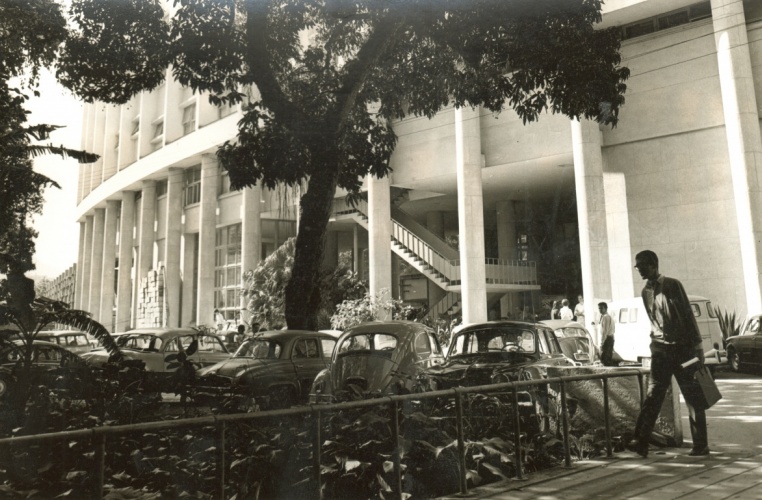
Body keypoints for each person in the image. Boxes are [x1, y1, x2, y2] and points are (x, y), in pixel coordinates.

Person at [627, 250, 709, 458]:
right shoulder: (645, 290)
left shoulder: (673, 285)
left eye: (642, 266)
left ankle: (701, 445)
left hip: (683, 350)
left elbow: (687, 316)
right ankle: (641, 442)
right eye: (637, 267)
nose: (639, 270)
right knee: (653, 395)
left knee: (693, 396)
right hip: (660, 351)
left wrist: (698, 349)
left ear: (654, 265)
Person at [598, 302, 617, 366]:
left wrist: (602, 343)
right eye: (599, 308)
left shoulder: (605, 317)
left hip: (607, 339)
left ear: (605, 308)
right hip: (610, 338)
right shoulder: (608, 317)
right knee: (608, 358)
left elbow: (604, 331)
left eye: (601, 308)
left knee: (605, 359)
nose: (600, 310)